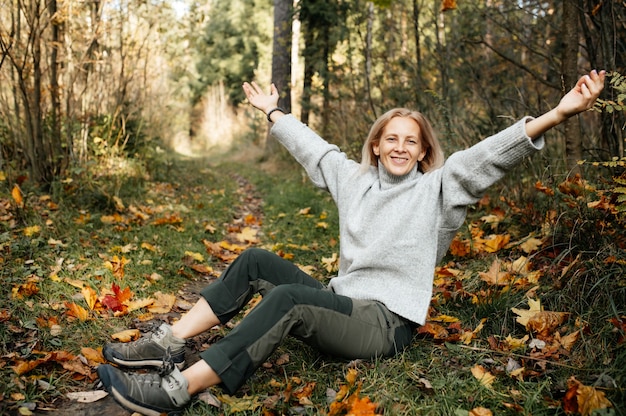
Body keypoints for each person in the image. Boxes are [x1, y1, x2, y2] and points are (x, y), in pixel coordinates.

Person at [96, 69, 606, 416]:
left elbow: (488, 155)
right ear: (377, 146)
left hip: (384, 324)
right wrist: (273, 114)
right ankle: (167, 346)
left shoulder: (440, 189)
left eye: (412, 140)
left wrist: (558, 114)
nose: (400, 147)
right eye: (391, 139)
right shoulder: (355, 179)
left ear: (424, 149)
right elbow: (315, 150)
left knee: (288, 299)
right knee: (254, 260)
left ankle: (179, 389)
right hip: (345, 302)